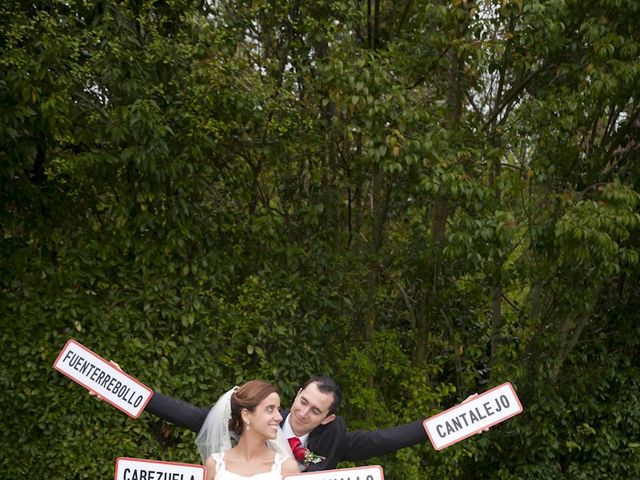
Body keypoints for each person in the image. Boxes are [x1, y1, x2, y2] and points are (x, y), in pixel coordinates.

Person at [147, 376, 429, 472]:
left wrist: (446, 422)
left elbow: (390, 438)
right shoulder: (260, 420)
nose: (303, 413)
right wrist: (139, 395)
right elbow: (194, 417)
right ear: (297, 394)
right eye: (303, 401)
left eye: (315, 411)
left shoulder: (335, 440)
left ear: (327, 418)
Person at [197, 380, 299, 480]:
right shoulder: (214, 464)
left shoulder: (287, 468)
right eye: (270, 409)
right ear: (246, 415)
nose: (279, 417)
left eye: (278, 410)